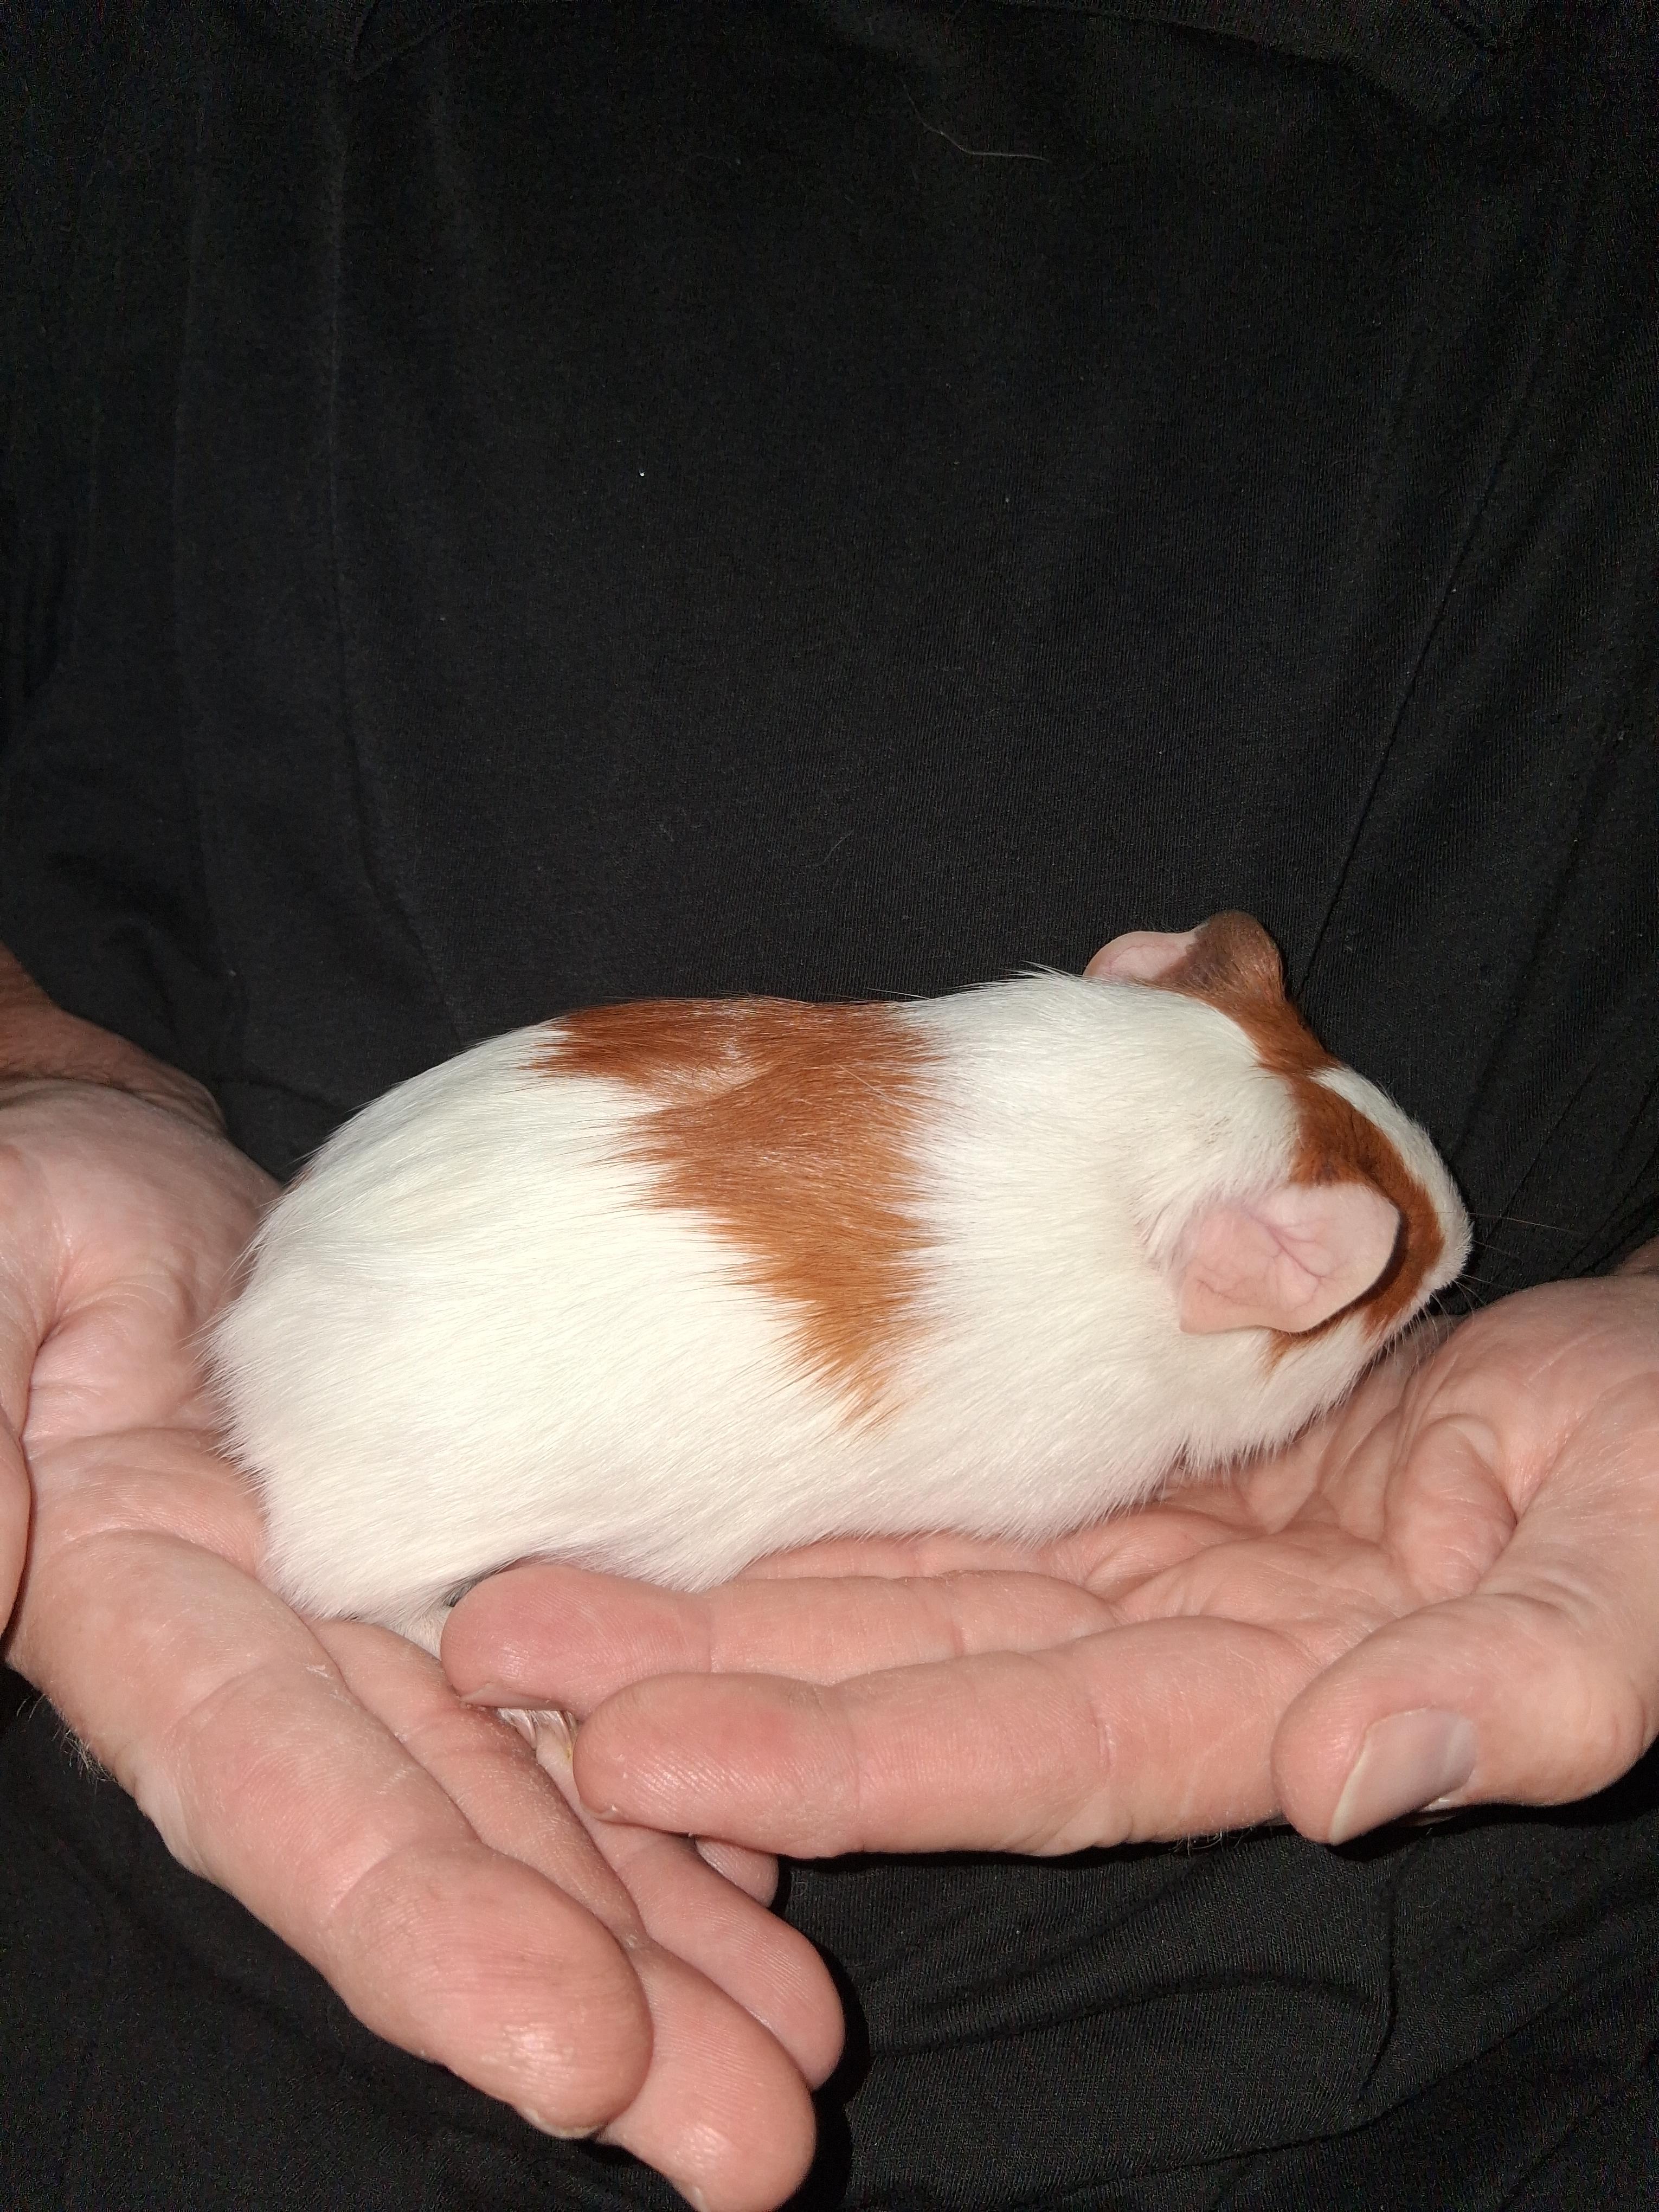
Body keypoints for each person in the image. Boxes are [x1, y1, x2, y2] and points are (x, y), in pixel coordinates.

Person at [3, 3, 1656, 2207]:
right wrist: (44, 1076)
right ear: (1249, 1254)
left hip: (1438, 2077)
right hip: (181, 1939)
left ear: (1154, 989)